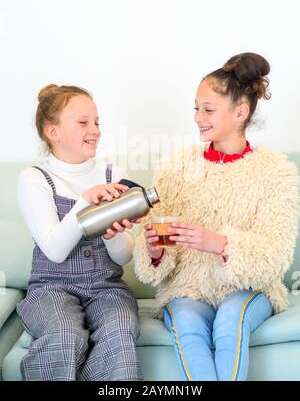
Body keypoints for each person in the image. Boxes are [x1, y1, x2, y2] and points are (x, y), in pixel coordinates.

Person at [134, 53, 299, 381]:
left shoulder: (276, 173)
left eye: (208, 110)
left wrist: (220, 244)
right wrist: (153, 251)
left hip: (247, 289)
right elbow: (148, 239)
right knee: (186, 324)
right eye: (196, 108)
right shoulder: (175, 166)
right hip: (187, 289)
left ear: (241, 112)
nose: (198, 117)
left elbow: (276, 255)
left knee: (230, 322)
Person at [17, 84, 142, 381]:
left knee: (121, 330)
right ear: (53, 132)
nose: (95, 130)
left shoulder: (113, 173)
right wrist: (87, 203)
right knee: (64, 334)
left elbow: (123, 257)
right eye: (83, 122)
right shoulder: (35, 178)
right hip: (52, 289)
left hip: (106, 287)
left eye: (97, 122)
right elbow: (55, 250)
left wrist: (113, 235)